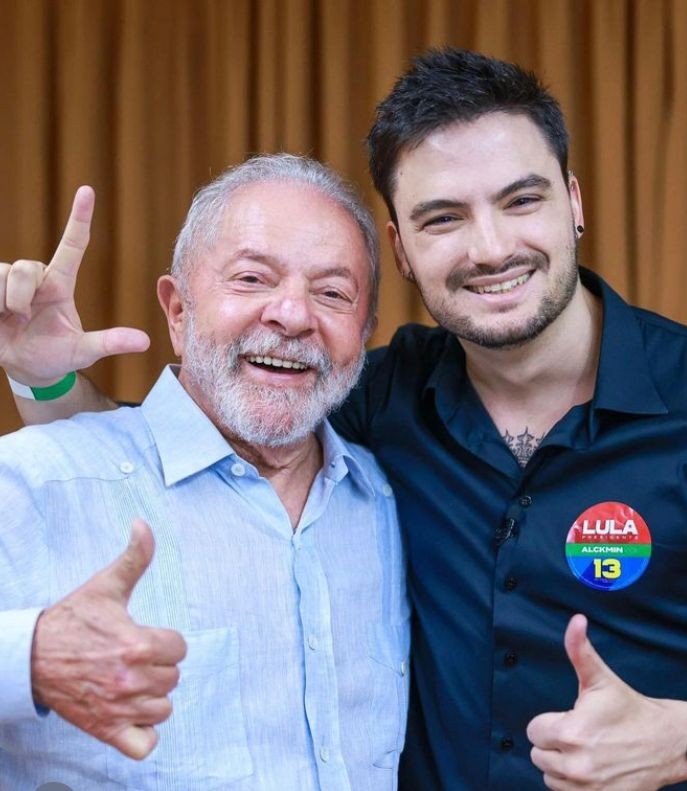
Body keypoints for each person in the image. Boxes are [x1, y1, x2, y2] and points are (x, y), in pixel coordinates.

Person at [3, 48, 687, 790]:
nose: (490, 248)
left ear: (575, 202)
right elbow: (164, 453)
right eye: (443, 217)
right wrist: (47, 377)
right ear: (401, 249)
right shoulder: (369, 398)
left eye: (522, 200)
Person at [0, 154, 409, 790]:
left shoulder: (384, 502)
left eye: (333, 293)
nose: (293, 315)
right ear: (178, 312)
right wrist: (28, 658)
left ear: (365, 332)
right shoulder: (39, 480)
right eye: (252, 278)